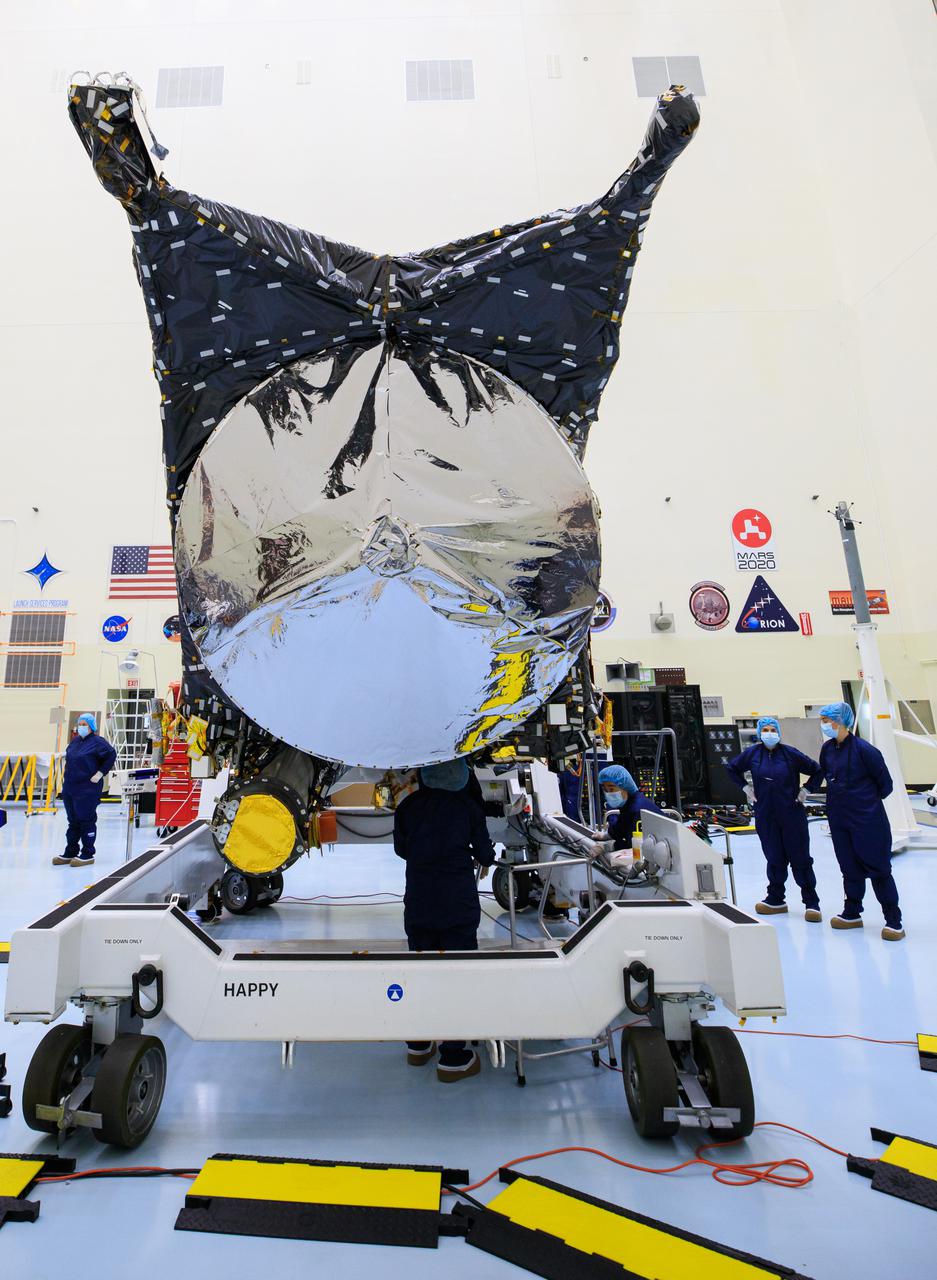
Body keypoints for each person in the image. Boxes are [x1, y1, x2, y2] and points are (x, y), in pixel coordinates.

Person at [393, 759, 497, 1081]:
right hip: (456, 905)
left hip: (420, 903)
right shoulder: (467, 808)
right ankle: (453, 1057)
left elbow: (401, 849)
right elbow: (485, 854)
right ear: (461, 776)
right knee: (456, 975)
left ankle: (419, 1044)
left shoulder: (407, 807)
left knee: (421, 970)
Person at [815, 702, 904, 941]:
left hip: (867, 819)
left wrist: (864, 802)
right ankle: (852, 912)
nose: (824, 725)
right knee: (849, 868)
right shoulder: (827, 750)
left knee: (879, 869)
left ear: (840, 721)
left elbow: (886, 785)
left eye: (827, 720)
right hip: (839, 818)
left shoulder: (866, 750)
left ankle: (893, 920)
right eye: (822, 720)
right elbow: (827, 776)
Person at [724, 718, 822, 920]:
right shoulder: (753, 754)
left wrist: (806, 790)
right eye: (766, 730)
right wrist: (745, 788)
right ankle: (776, 899)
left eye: (773, 729)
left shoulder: (790, 754)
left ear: (778, 732)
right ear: (760, 733)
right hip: (766, 814)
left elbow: (817, 769)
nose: (769, 733)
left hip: (791, 813)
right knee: (774, 857)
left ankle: (811, 902)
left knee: (800, 858)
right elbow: (731, 768)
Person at [52, 714, 117, 867]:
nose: (80, 726)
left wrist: (100, 773)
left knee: (86, 820)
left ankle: (87, 853)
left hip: (87, 788)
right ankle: (71, 851)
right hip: (70, 787)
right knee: (73, 822)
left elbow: (111, 754)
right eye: (79, 724)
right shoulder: (75, 742)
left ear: (91, 726)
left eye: (84, 724)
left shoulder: (98, 742)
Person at [598, 764, 663, 850]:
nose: (608, 794)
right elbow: (622, 826)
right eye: (605, 790)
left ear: (625, 787)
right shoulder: (628, 804)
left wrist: (609, 846)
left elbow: (633, 845)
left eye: (611, 789)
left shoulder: (636, 809)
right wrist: (608, 835)